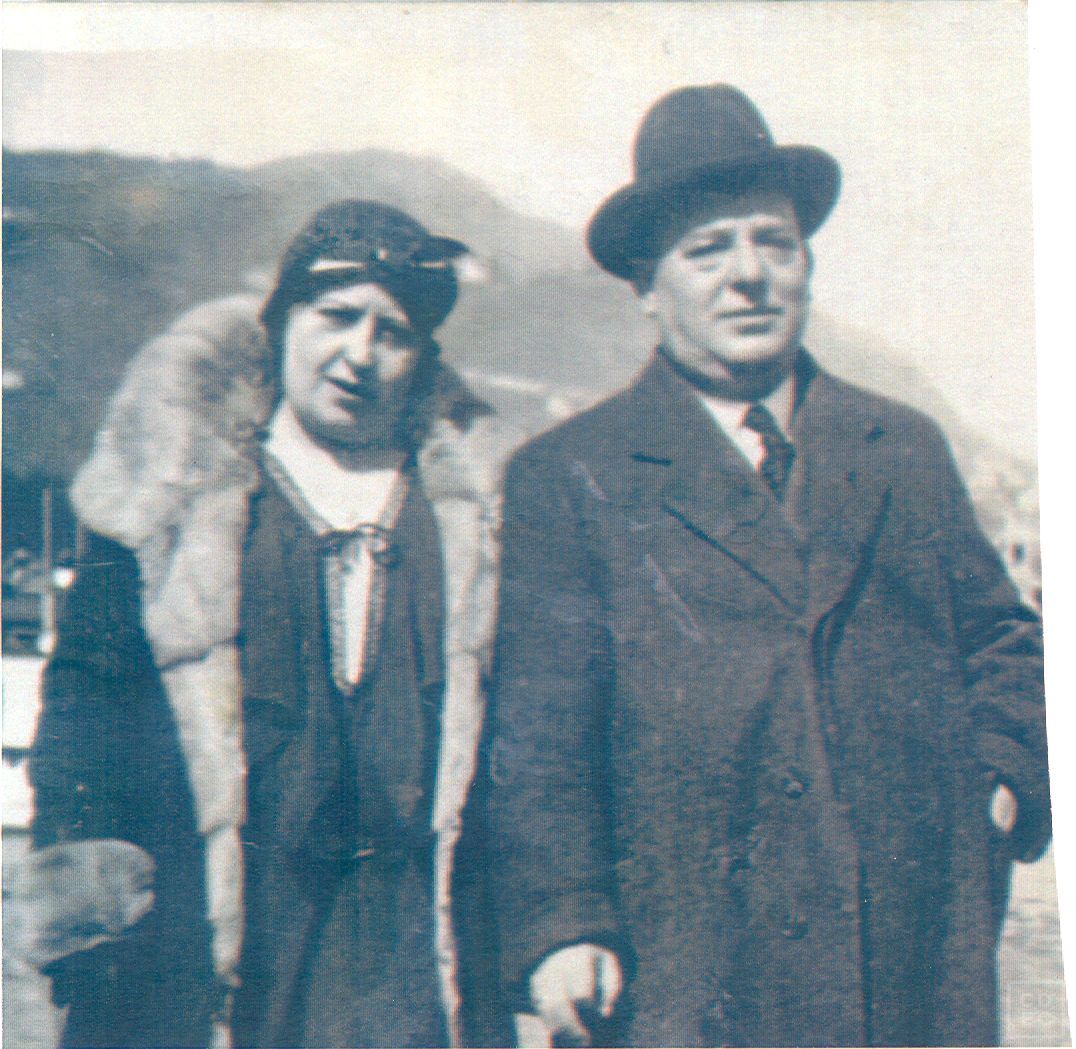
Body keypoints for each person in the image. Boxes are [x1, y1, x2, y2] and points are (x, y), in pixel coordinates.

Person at [486, 85, 1051, 1047]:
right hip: (693, 966)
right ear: (647, 287)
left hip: (905, 950)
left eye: (774, 243)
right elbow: (540, 733)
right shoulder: (570, 473)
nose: (748, 274)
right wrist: (565, 920)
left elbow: (1005, 638)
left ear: (807, 266)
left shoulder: (900, 446)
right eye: (708, 250)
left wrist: (1002, 780)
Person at [27, 200, 499, 1048]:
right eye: (336, 316)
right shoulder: (171, 493)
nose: (359, 353)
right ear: (281, 319)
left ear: (422, 355)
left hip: (397, 954)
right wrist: (87, 915)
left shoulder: (471, 521)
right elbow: (86, 712)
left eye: (393, 332)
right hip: (195, 942)